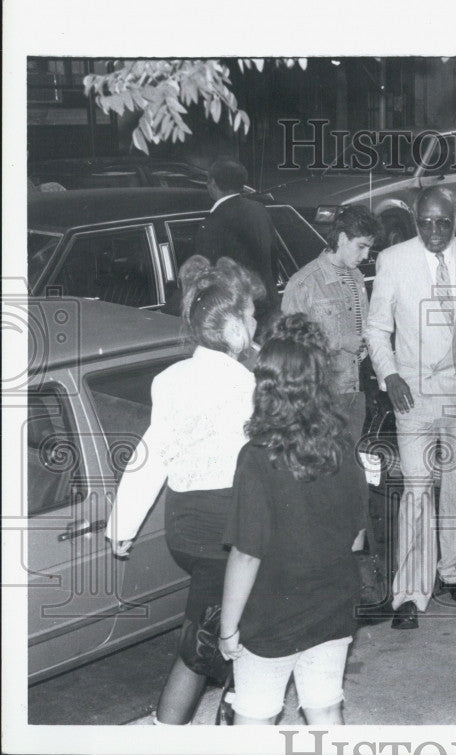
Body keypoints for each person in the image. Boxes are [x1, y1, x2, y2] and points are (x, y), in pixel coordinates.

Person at [107, 256, 259, 725]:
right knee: (207, 637)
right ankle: (171, 729)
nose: (257, 323)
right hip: (226, 527)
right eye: (252, 316)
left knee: (225, 619)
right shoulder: (245, 382)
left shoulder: (169, 379)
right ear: (233, 327)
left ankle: (232, 706)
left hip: (183, 525)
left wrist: (122, 524)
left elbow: (151, 453)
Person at [218, 314, 365, 725]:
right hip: (333, 606)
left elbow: (247, 556)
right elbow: (356, 538)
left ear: (267, 385)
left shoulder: (257, 457)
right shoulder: (341, 443)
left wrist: (229, 628)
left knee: (256, 719)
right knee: (324, 709)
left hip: (272, 618)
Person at [364, 186, 456, 629]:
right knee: (418, 491)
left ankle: (454, 570)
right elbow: (377, 329)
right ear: (415, 221)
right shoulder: (393, 260)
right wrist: (391, 376)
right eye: (426, 223)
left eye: (444, 222)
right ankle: (410, 593)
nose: (435, 231)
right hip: (413, 396)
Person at [281, 204, 378, 537]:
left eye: (368, 247)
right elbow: (290, 350)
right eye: (361, 246)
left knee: (349, 480)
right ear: (341, 238)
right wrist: (341, 341)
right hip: (320, 399)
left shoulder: (355, 278)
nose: (365, 255)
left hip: (352, 394)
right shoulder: (304, 283)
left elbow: (363, 326)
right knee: (320, 480)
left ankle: (349, 551)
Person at [195, 158, 279, 329]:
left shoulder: (212, 223)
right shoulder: (258, 209)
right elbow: (273, 258)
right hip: (268, 307)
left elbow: (206, 277)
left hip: (237, 315)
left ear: (212, 183)